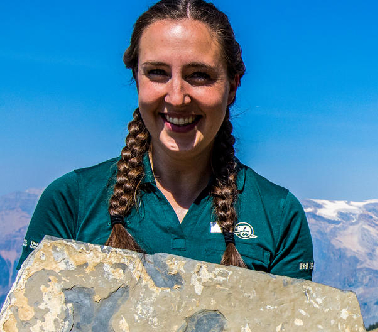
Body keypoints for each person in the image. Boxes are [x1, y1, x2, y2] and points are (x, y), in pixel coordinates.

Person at [16, 0, 314, 280]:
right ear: (136, 78)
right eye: (157, 73)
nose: (177, 97)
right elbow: (27, 326)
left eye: (199, 75)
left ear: (233, 86)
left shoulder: (279, 214)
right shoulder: (72, 201)